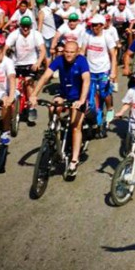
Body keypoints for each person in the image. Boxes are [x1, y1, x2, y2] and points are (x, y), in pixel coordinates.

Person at [30, 40, 90, 174]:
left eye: (71, 52)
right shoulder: (59, 60)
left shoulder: (81, 61)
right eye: (66, 52)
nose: (68, 55)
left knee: (75, 126)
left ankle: (74, 160)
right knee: (53, 107)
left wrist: (81, 100)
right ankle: (55, 131)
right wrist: (34, 94)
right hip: (64, 93)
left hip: (77, 97)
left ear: (77, 52)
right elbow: (45, 76)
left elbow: (86, 80)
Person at [4, 16, 46, 123]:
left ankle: (31, 107)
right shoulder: (14, 34)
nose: (25, 29)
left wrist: (38, 63)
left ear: (31, 26)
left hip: (31, 64)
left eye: (27, 26)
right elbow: (5, 47)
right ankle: (14, 105)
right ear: (20, 26)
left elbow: (42, 50)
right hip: (17, 64)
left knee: (29, 84)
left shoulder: (36, 34)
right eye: (23, 26)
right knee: (15, 85)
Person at [79, 14, 118, 125]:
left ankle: (110, 108)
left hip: (104, 70)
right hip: (90, 70)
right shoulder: (87, 35)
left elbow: (113, 55)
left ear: (102, 25)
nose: (94, 27)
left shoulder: (107, 36)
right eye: (92, 25)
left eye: (96, 25)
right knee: (89, 93)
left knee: (104, 93)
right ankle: (93, 113)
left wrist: (113, 71)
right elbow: (82, 51)